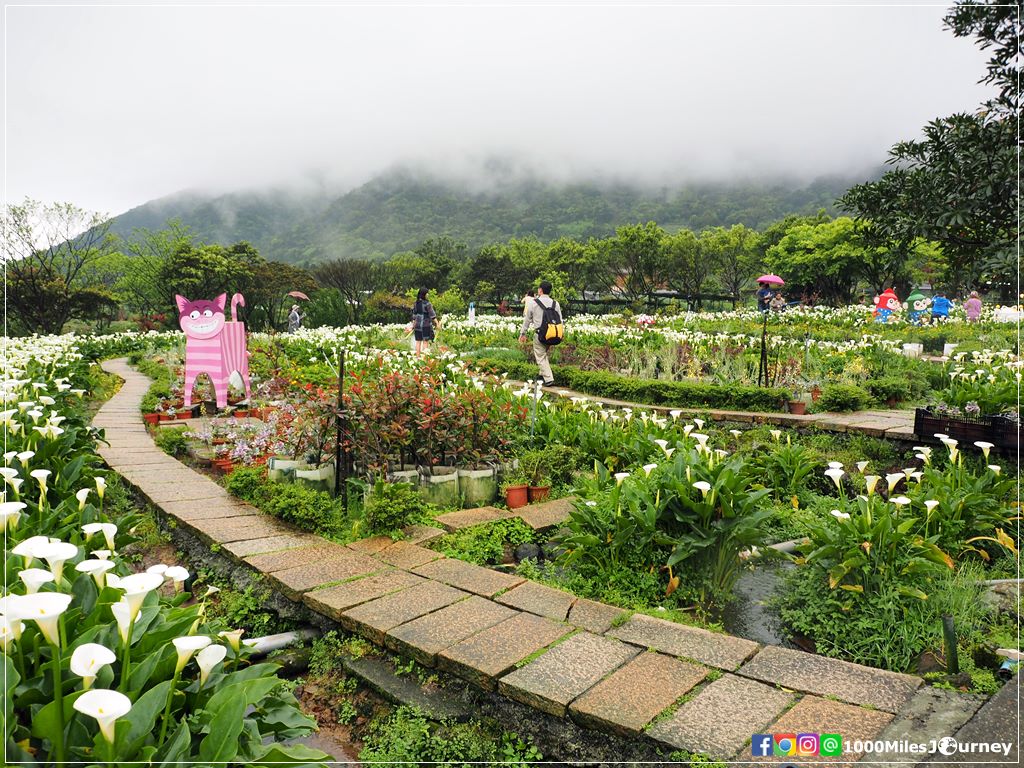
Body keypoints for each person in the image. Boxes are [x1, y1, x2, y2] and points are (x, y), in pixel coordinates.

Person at [519, 281, 562, 387]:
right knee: (543, 355)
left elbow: (527, 320)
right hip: (552, 334)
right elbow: (560, 320)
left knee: (540, 355)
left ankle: (548, 379)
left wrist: (522, 333)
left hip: (540, 335)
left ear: (540, 290)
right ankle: (541, 376)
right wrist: (561, 334)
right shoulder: (555, 303)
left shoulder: (534, 303)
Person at [411, 287, 438, 354]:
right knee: (425, 342)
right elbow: (432, 315)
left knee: (418, 342)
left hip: (417, 325)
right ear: (424, 294)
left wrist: (413, 326)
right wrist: (437, 324)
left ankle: (417, 358)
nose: (428, 294)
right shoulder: (427, 303)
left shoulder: (416, 303)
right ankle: (424, 358)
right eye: (427, 293)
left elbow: (414, 316)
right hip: (425, 325)